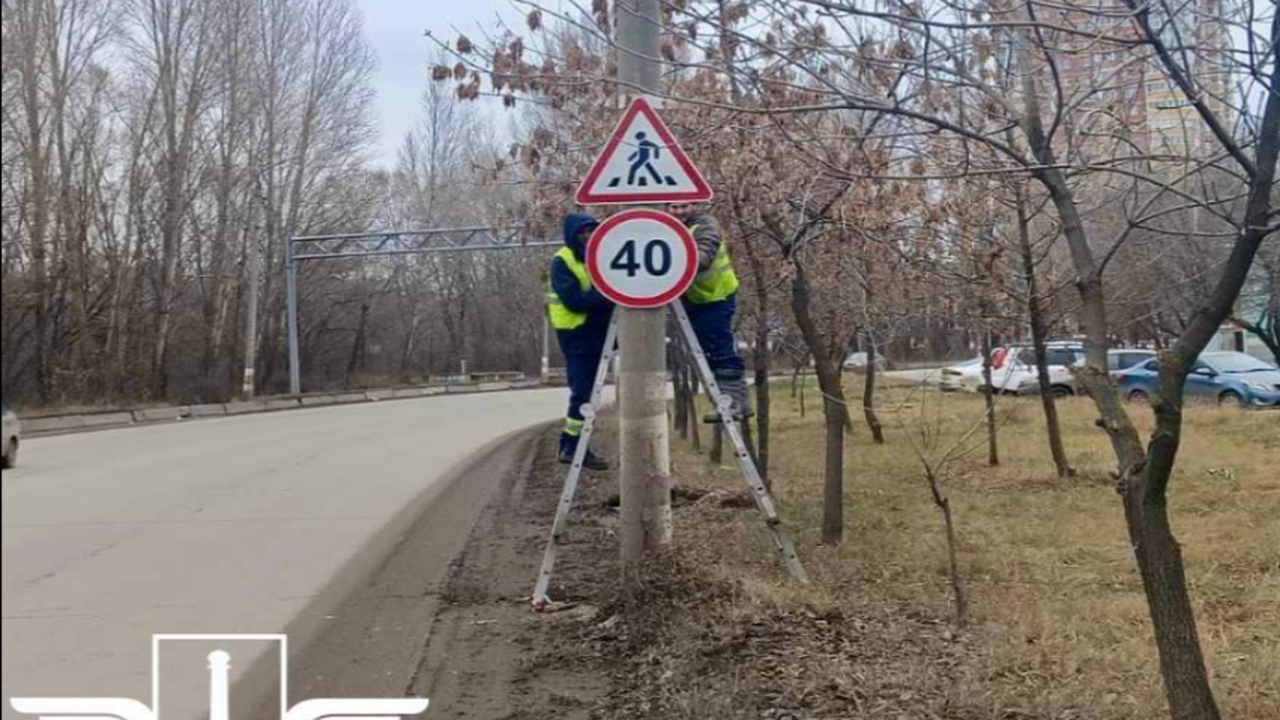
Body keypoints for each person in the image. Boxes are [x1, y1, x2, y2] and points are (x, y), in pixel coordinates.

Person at [667, 202, 749, 423]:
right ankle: (739, 402)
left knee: (718, 349)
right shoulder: (669, 230)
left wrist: (667, 268)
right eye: (673, 207)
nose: (679, 211)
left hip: (716, 296)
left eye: (683, 206)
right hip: (697, 299)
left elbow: (703, 256)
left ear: (693, 205)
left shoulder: (705, 225)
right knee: (711, 350)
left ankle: (731, 404)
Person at [547, 213, 615, 470]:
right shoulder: (562, 261)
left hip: (596, 331)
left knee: (589, 393)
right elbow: (575, 300)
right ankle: (573, 447)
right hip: (576, 334)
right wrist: (610, 292)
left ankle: (572, 445)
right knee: (584, 392)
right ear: (572, 235)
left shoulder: (599, 255)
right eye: (582, 232)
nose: (587, 236)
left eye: (591, 230)